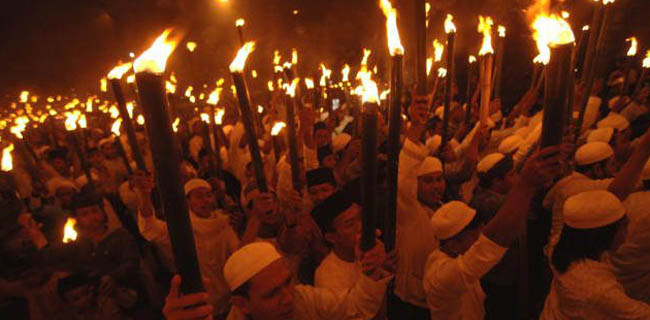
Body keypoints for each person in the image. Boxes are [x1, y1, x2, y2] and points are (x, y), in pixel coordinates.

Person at [423, 145, 564, 320]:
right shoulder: (443, 276)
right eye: (475, 234)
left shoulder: (453, 256)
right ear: (453, 243)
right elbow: (489, 245)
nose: (480, 236)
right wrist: (526, 184)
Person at [163, 241, 392, 320]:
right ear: (242, 304)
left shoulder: (304, 298)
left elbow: (356, 308)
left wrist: (371, 269)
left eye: (287, 282)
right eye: (272, 294)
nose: (287, 298)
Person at [540, 190, 650, 319]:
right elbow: (641, 315)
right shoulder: (598, 289)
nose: (628, 231)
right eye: (624, 226)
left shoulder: (561, 247)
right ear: (603, 235)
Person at [134, 175, 233, 316]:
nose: (205, 200)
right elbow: (150, 228)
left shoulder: (224, 222)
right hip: (202, 301)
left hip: (229, 297)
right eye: (199, 197)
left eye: (208, 195)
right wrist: (144, 195)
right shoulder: (182, 228)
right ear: (188, 202)